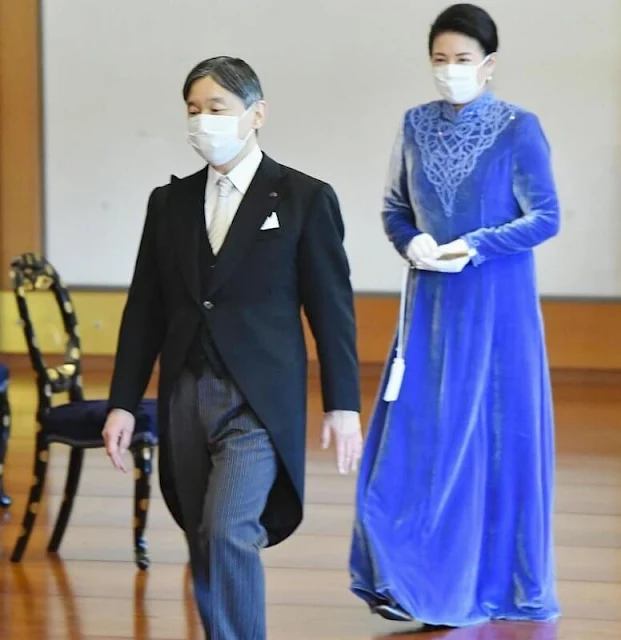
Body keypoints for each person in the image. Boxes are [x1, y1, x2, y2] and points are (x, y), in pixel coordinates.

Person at [102, 56, 362, 639]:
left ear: (256, 114)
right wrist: (122, 401)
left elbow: (332, 312)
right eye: (193, 111)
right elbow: (144, 308)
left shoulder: (304, 198)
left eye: (217, 109)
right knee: (201, 534)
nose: (203, 122)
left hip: (258, 403)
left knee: (227, 531)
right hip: (185, 395)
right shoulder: (168, 204)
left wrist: (342, 406)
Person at [349, 3, 560, 629]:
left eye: (463, 61)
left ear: (488, 65)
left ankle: (483, 582)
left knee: (494, 440)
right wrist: (408, 239)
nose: (449, 72)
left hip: (496, 308)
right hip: (431, 307)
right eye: (440, 61)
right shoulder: (413, 125)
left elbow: (544, 217)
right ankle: (406, 577)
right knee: (415, 441)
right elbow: (394, 207)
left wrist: (476, 245)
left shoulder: (521, 127)